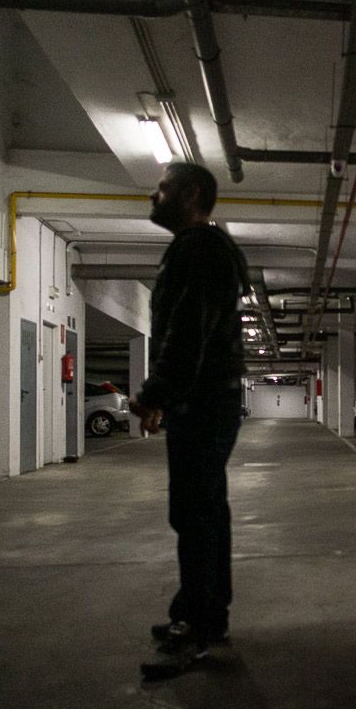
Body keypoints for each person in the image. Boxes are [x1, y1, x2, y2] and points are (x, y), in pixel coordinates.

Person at [129, 162, 250, 680]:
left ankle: (194, 629)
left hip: (201, 400)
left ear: (192, 194)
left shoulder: (199, 248)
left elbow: (188, 329)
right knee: (206, 508)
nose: (154, 197)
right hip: (207, 398)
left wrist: (159, 393)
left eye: (163, 189)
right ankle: (209, 614)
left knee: (195, 512)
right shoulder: (206, 247)